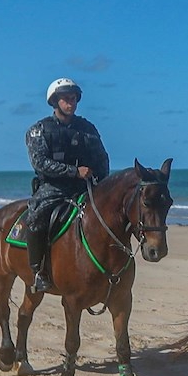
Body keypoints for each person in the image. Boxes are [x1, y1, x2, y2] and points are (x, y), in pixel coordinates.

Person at [25, 77, 110, 294]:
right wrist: (74, 171)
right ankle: (38, 271)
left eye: (73, 99)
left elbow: (102, 158)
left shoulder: (87, 128)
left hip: (85, 186)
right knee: (36, 217)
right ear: (55, 102)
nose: (70, 103)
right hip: (53, 188)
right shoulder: (39, 130)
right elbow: (40, 162)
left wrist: (99, 180)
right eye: (65, 99)